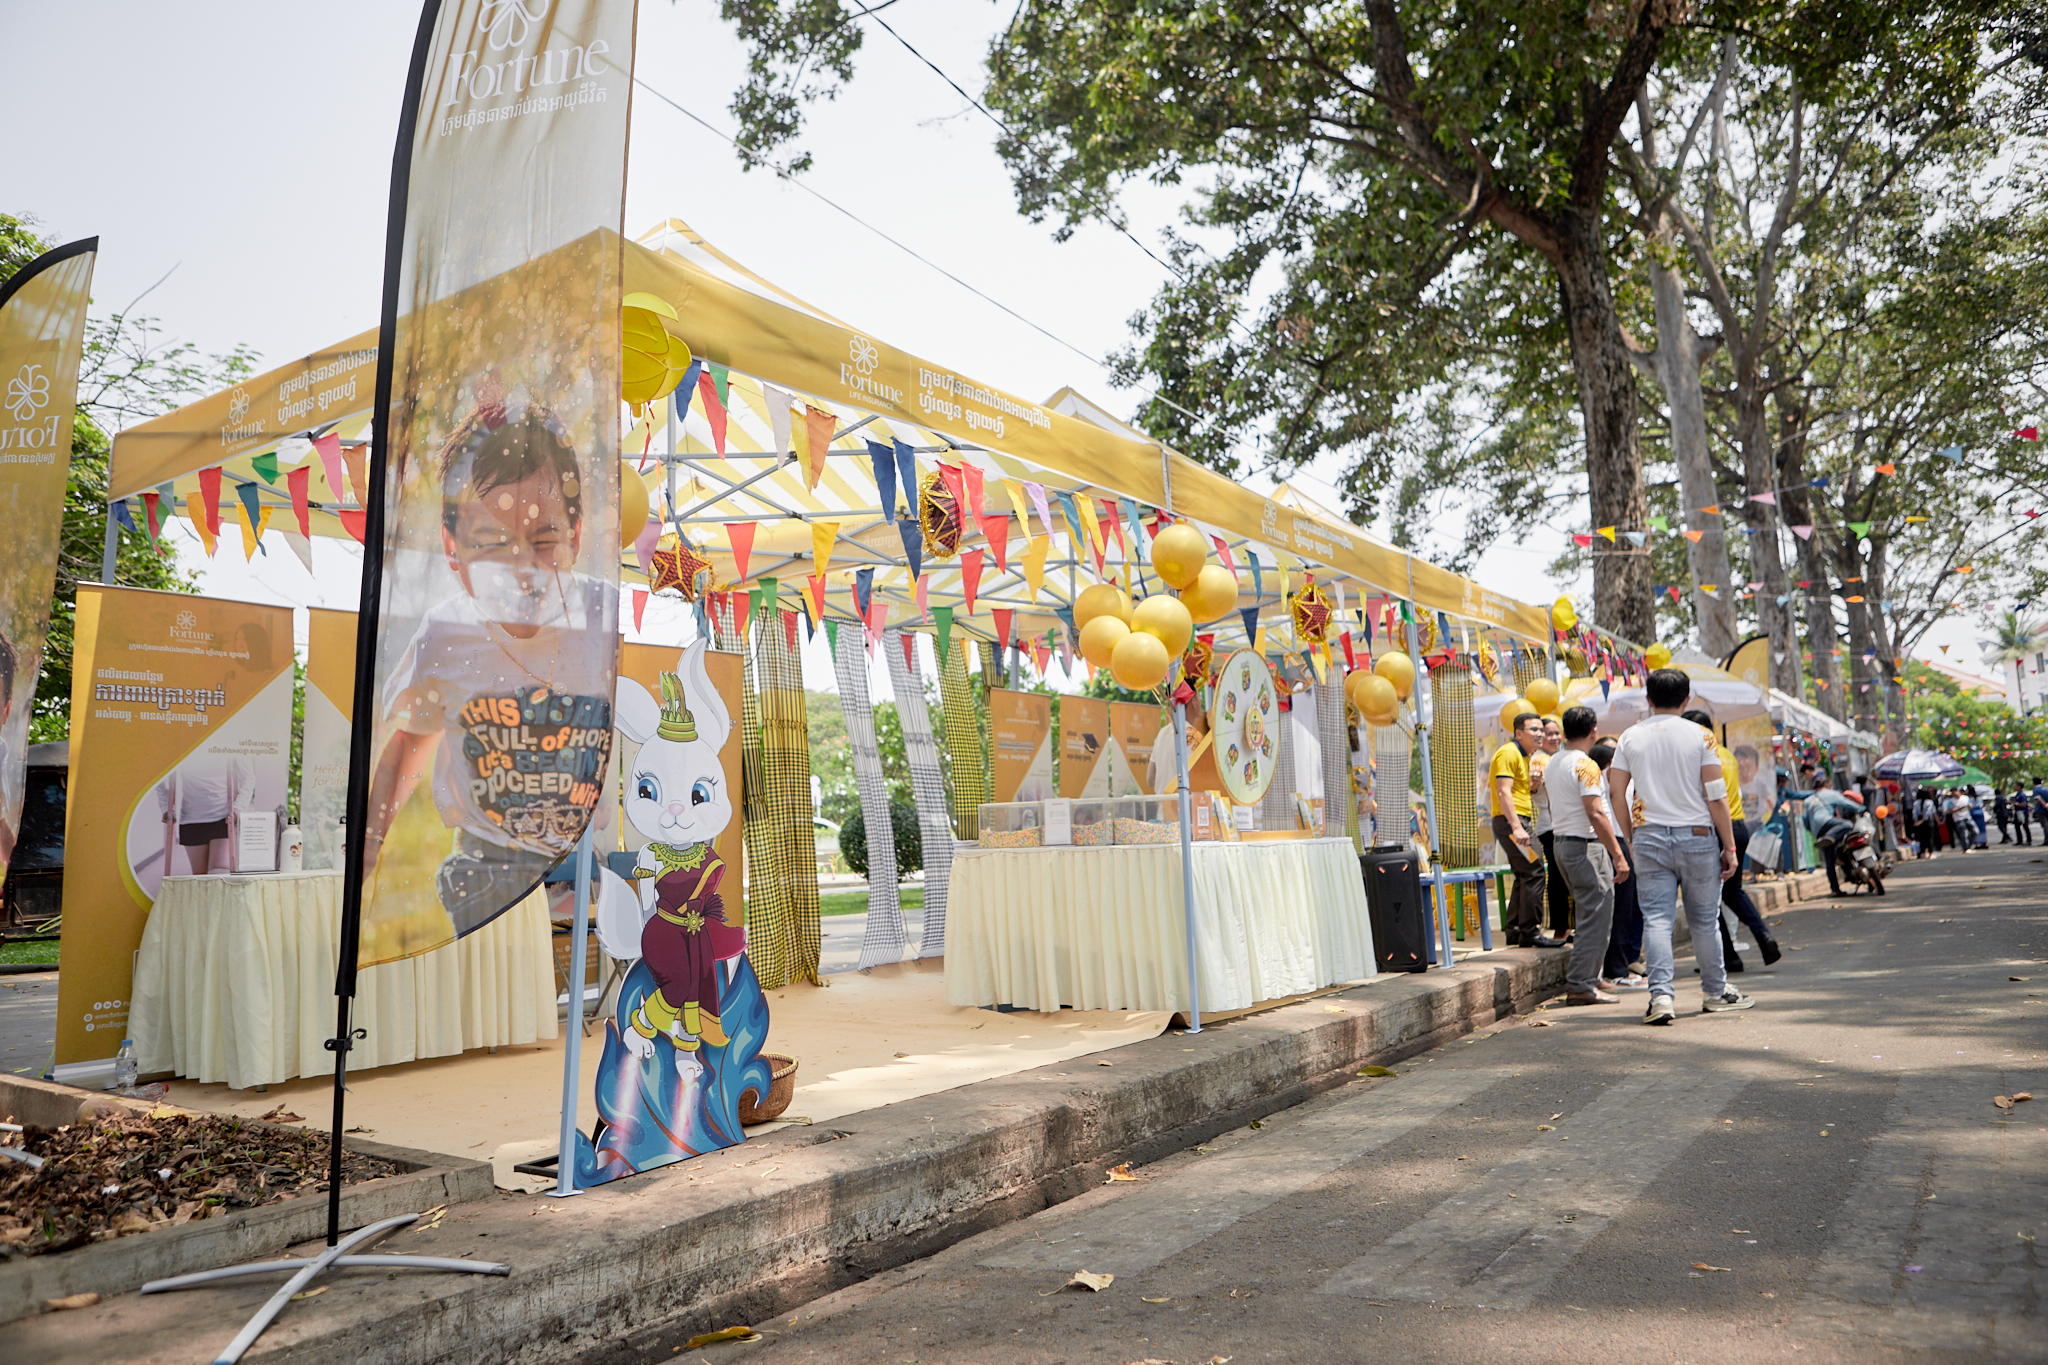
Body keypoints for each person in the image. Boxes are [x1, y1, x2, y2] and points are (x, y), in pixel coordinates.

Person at [365, 407, 619, 939]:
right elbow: (409, 744)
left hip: (581, 867)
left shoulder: (602, 617)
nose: (521, 567)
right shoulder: (445, 633)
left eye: (544, 540)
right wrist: (369, 845)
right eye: (492, 543)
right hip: (485, 875)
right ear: (452, 548)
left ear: (576, 534)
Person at [1609, 668, 1752, 1024]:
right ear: (1687, 699)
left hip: (1648, 836)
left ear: (1648, 699)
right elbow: (1716, 795)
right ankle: (1715, 992)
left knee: (1657, 920)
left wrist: (1630, 836)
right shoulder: (1701, 736)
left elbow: (1616, 793)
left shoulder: (1629, 736)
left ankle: (1660, 998)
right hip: (1698, 837)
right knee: (1704, 921)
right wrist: (1729, 847)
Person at [1546, 706, 1630, 1005]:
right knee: (1595, 916)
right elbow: (1595, 813)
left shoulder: (1554, 761)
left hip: (1563, 842)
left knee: (1593, 913)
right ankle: (1581, 984)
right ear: (1594, 731)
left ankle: (1591, 978)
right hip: (1584, 845)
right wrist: (1618, 854)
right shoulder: (1585, 764)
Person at [1684, 709, 1781, 969]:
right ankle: (1763, 935)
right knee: (1732, 892)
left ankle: (1727, 956)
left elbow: (1711, 799)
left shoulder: (1700, 757)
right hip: (1739, 827)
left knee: (1707, 897)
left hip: (1715, 829)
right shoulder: (1727, 754)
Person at [1490, 711, 1560, 949]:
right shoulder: (1508, 753)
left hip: (1515, 821)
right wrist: (1517, 827)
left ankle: (1516, 930)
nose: (1541, 734)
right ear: (1518, 733)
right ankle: (1530, 931)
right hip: (1513, 822)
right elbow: (1503, 792)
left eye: (1542, 730)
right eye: (1535, 730)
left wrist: (1534, 785)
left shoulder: (1523, 756)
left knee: (1525, 873)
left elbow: (1515, 790)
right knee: (1535, 871)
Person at [1594, 739, 1647, 990]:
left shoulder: (1620, 782)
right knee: (1619, 910)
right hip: (1615, 842)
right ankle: (1616, 969)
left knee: (1628, 907)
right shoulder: (1603, 782)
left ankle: (1624, 962)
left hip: (1622, 842)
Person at [1533, 714, 1575, 942]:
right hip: (1550, 825)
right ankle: (1560, 928)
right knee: (1559, 878)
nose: (1554, 738)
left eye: (1557, 733)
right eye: (1548, 733)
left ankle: (1564, 927)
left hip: (1559, 823)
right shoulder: (1540, 759)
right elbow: (1533, 786)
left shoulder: (1556, 758)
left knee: (1563, 877)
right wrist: (1534, 783)